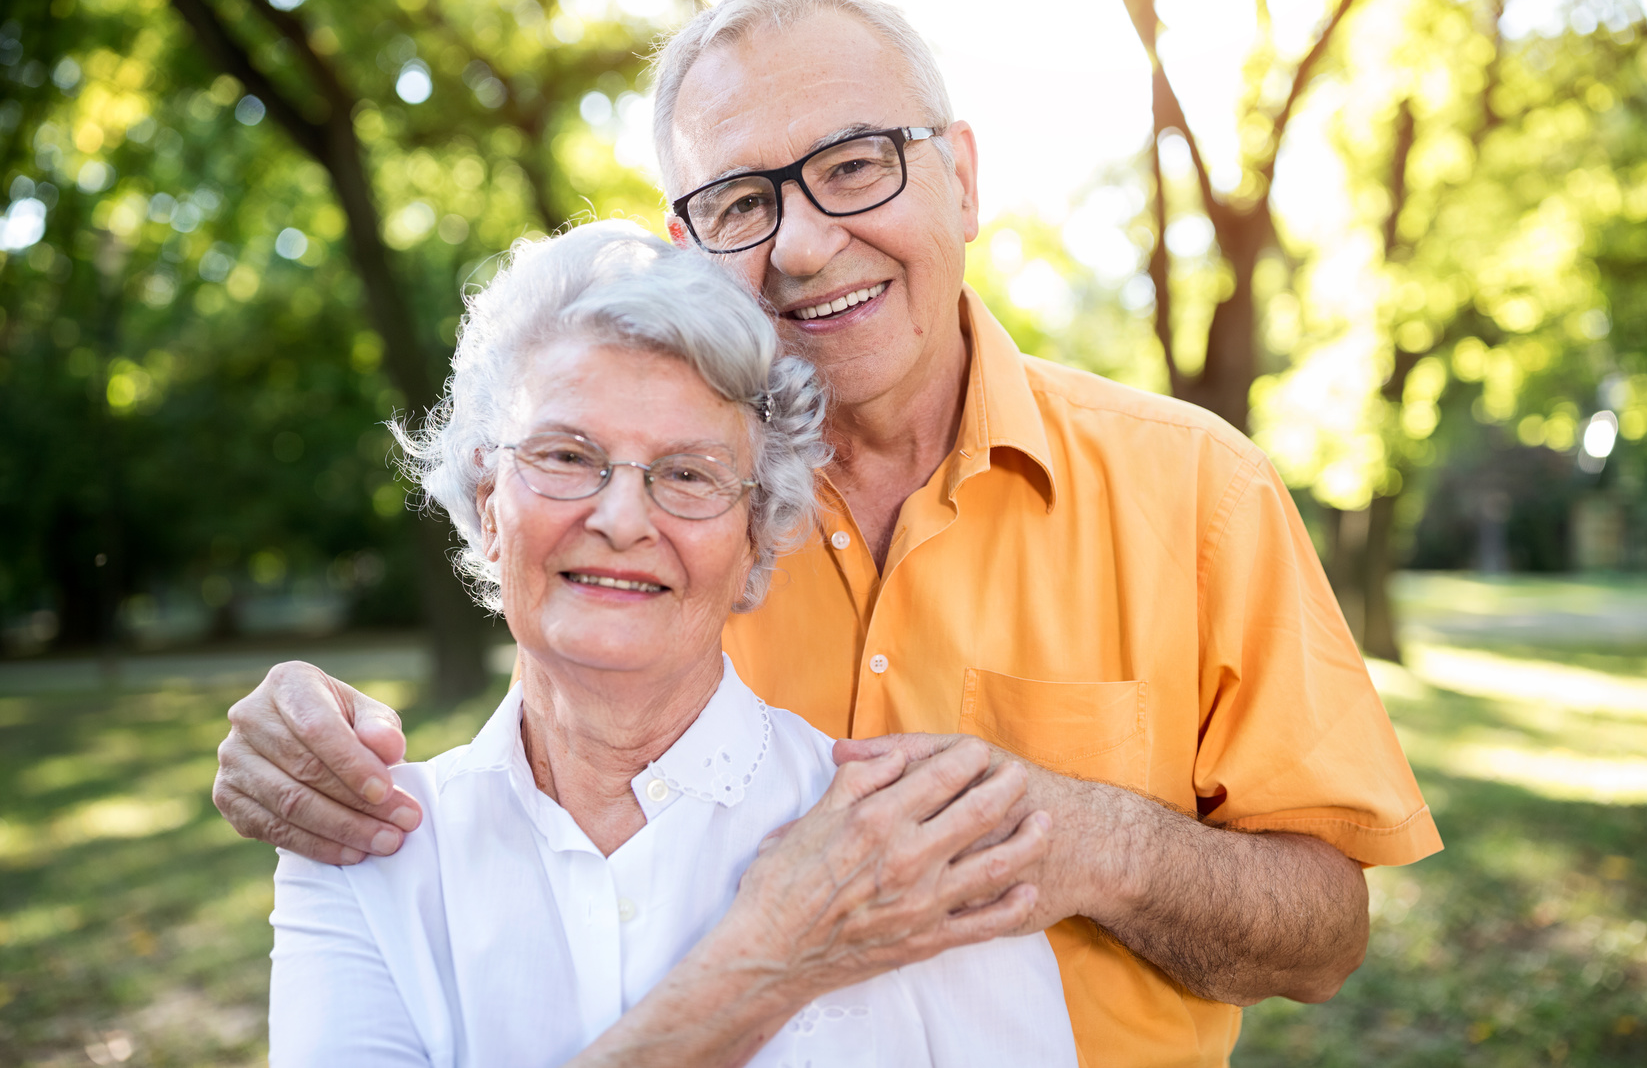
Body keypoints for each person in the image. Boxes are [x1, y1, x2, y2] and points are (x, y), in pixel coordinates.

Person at [221, 0, 1443, 1067]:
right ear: (687, 245)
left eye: (855, 165)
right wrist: (298, 738)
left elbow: (1324, 939)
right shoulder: (674, 519)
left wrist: (1089, 844)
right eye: (742, 200)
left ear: (960, 177)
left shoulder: (1195, 491)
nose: (804, 244)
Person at [269, 220, 1081, 1066]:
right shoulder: (364, 853)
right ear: (487, 504)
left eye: (688, 474)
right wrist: (762, 969)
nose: (621, 519)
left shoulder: (909, 849)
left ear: (756, 543)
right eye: (565, 454)